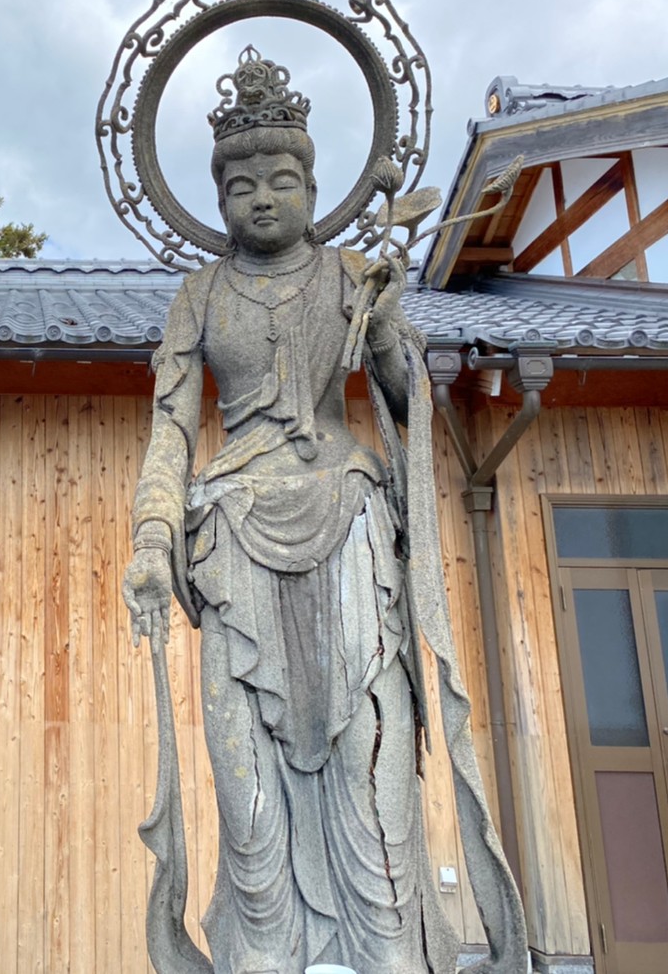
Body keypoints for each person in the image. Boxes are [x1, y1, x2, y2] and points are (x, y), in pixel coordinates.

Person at [122, 48, 525, 974]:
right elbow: (171, 428)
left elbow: (404, 400)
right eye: (240, 187)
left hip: (347, 522)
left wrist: (382, 324)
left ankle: (387, 955)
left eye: (283, 181)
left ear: (313, 187)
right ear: (217, 200)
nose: (262, 199)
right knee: (247, 797)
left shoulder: (350, 274)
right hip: (231, 537)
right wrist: (151, 538)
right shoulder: (199, 295)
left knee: (371, 779)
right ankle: (262, 954)